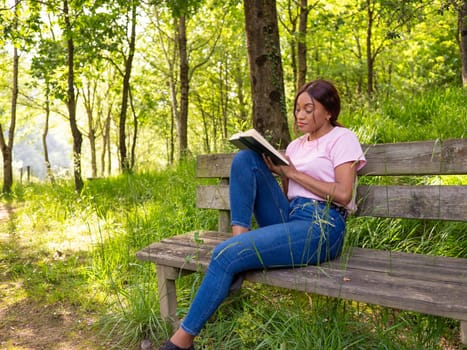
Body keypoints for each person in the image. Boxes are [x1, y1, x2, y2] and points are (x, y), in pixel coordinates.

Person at [160, 79, 366, 350]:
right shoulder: (295, 146)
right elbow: (288, 192)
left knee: (225, 254)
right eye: (297, 109)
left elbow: (343, 194)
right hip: (292, 215)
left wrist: (292, 172)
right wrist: (282, 173)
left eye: (308, 109)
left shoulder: (342, 138)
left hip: (324, 224)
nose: (299, 115)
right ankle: (238, 241)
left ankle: (180, 344)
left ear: (328, 111)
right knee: (245, 159)